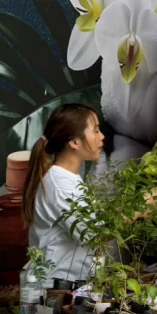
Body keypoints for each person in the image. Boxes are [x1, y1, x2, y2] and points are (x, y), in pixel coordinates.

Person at [22, 103, 105, 284]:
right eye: (96, 131)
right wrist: (139, 208)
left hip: (68, 284)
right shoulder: (59, 184)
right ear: (75, 142)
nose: (102, 137)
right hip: (55, 287)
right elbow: (93, 234)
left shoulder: (69, 178)